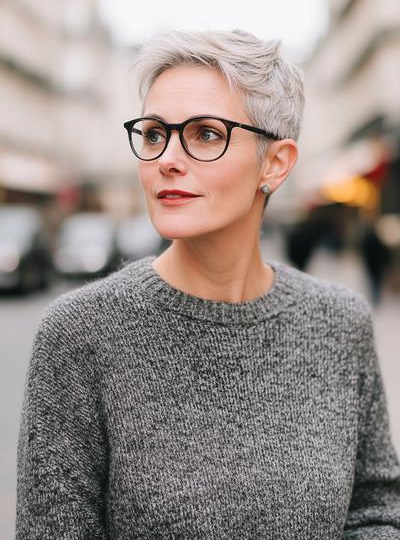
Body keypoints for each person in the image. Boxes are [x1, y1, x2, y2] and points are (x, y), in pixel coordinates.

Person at [16, 29, 400, 539]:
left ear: (276, 163)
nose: (167, 158)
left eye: (205, 134)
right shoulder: (80, 334)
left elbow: (375, 509)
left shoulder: (338, 321)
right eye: (154, 134)